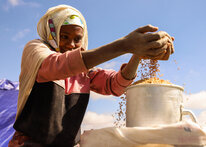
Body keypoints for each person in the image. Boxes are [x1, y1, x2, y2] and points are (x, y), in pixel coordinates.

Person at [8, 4, 174, 147]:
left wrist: (138, 54)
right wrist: (124, 45)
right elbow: (58, 65)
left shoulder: (84, 71)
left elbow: (115, 85)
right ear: (51, 33)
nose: (71, 44)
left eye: (77, 39)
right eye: (64, 36)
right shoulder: (36, 50)